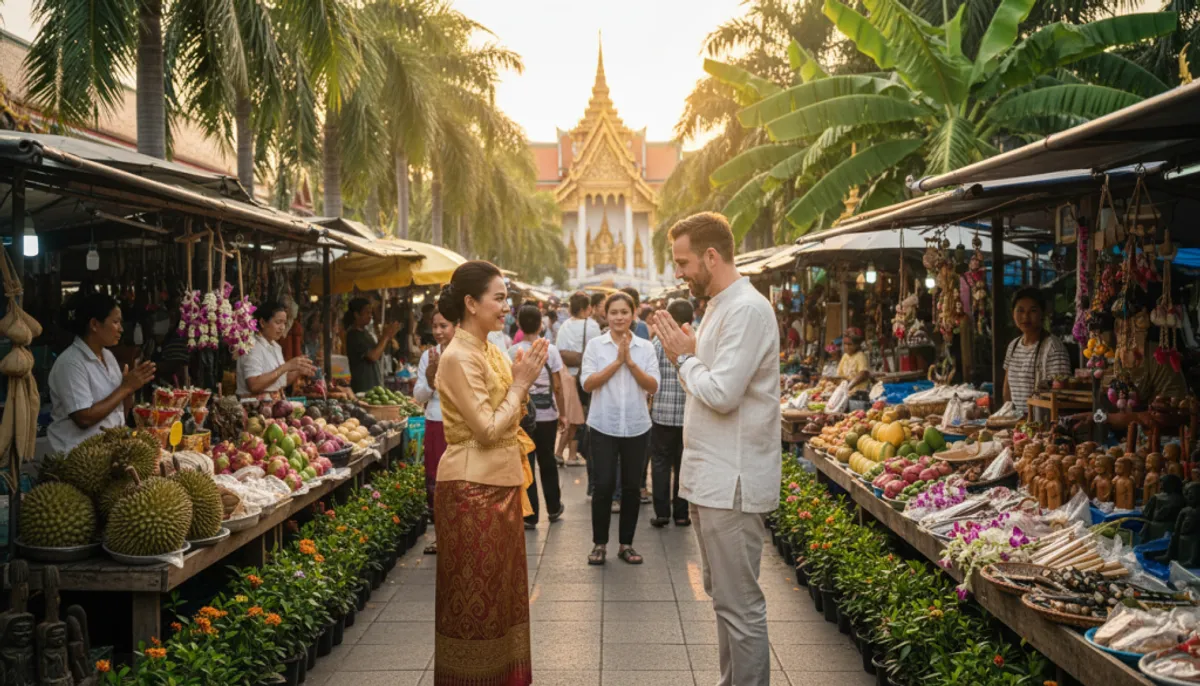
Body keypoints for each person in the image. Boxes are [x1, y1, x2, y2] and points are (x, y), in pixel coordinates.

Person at [650, 211, 780, 686]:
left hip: (733, 477)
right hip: (713, 477)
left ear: (711, 255)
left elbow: (723, 393)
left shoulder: (745, 308)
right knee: (725, 600)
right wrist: (688, 351)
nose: (679, 272)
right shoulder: (720, 305)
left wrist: (684, 357)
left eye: (683, 262)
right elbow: (712, 379)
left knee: (741, 607)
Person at [432, 260, 542, 686]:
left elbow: (507, 419)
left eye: (505, 298)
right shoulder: (458, 356)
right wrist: (521, 384)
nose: (505, 306)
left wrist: (519, 383)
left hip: (501, 482)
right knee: (472, 600)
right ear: (471, 303)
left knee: (502, 597)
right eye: (498, 298)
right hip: (470, 489)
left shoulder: (490, 350)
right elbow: (488, 427)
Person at [581, 292, 660, 565]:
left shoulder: (645, 347)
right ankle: (599, 544)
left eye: (624, 312)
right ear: (606, 315)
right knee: (602, 485)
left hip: (637, 426)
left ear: (633, 313)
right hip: (603, 423)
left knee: (631, 487)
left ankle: (626, 543)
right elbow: (588, 384)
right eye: (613, 312)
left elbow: (652, 386)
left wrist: (630, 362)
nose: (619, 317)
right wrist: (616, 362)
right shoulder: (596, 346)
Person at [47, 293, 157, 453]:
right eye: (115, 322)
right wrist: (125, 387)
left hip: (108, 453)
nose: (121, 328)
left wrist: (129, 391)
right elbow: (83, 418)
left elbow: (120, 413)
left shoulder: (108, 356)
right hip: (76, 457)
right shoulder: (70, 363)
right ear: (94, 324)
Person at [508, 305, 567, 529]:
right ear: (540, 325)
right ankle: (554, 507)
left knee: (527, 463)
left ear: (520, 326)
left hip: (522, 415)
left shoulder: (512, 352)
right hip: (547, 415)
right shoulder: (549, 350)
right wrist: (562, 413)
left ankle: (530, 515)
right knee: (548, 460)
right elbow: (558, 386)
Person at [412, 310, 455, 555]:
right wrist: (429, 381)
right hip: (436, 421)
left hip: (460, 422)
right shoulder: (429, 356)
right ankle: (441, 536)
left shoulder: (467, 353)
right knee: (436, 481)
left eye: (444, 325)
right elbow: (418, 396)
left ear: (457, 326)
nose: (438, 331)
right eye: (435, 326)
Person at [650, 298, 693, 528]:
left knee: (660, 463)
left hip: (661, 414)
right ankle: (681, 514)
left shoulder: (658, 343)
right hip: (687, 415)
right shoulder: (693, 342)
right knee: (683, 464)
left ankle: (661, 513)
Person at [1003, 288, 1071, 416]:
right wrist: (1008, 417)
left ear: (1043, 314)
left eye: (1033, 311)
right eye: (1020, 310)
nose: (1025, 317)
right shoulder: (1013, 346)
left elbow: (1062, 396)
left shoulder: (1053, 348)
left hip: (1042, 425)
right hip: (1018, 423)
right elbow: (1007, 388)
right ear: (1013, 314)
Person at [555, 292, 601, 471]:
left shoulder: (564, 325)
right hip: (584, 376)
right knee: (575, 417)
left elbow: (559, 350)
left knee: (574, 417)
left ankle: (571, 455)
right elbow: (595, 351)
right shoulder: (591, 325)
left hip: (566, 374)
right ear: (584, 308)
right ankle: (560, 453)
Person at [236, 300, 316, 399]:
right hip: (254, 408)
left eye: (284, 323)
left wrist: (299, 370)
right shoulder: (252, 346)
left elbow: (280, 381)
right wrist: (286, 367)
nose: (282, 327)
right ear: (262, 323)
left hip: (275, 407)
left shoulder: (276, 346)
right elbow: (254, 385)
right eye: (278, 322)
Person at [343, 297, 402, 394]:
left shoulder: (366, 333)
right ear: (357, 315)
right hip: (363, 387)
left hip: (374, 384)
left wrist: (388, 337)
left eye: (371, 313)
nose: (370, 316)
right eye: (367, 313)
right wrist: (385, 336)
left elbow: (379, 352)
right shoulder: (353, 335)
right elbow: (373, 356)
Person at [837, 328, 872, 393]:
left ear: (857, 345)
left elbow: (863, 373)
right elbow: (839, 374)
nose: (847, 347)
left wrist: (849, 386)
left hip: (858, 393)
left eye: (850, 344)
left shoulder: (860, 356)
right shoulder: (845, 356)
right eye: (845, 344)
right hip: (846, 392)